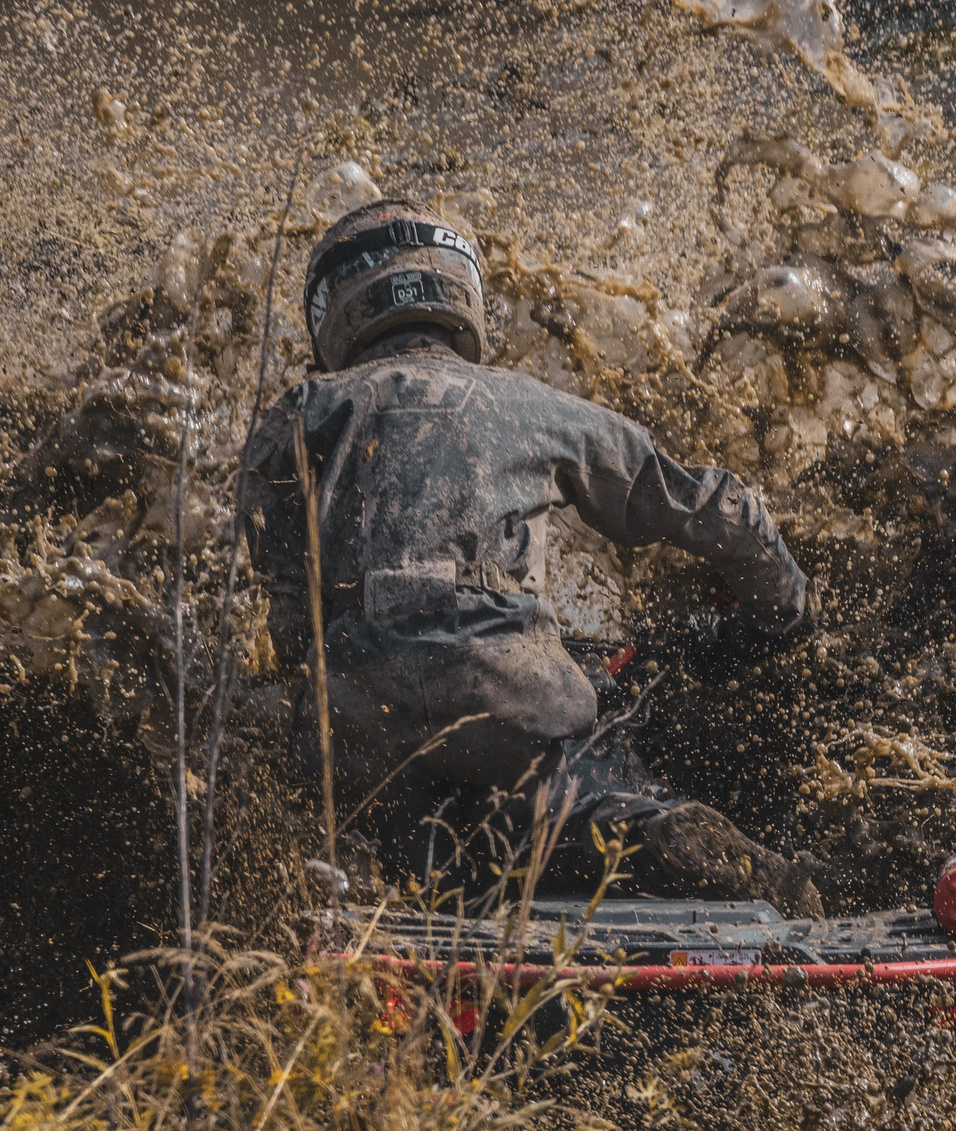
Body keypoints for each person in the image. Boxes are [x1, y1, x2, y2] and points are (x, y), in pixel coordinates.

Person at [240, 200, 824, 915]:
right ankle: (648, 835)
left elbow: (287, 616)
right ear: (462, 289)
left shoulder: (300, 413)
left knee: (372, 816)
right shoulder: (530, 404)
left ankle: (408, 878)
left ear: (332, 311)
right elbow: (716, 507)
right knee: (563, 787)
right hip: (514, 697)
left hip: (362, 716)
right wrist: (786, 609)